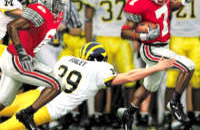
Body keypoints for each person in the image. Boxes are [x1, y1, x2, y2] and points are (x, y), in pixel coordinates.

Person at [0, 41, 176, 130]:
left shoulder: (67, 59)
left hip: (34, 96)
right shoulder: (99, 69)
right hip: (46, 108)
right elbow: (129, 76)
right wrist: (157, 68)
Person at [119, 0, 196, 130]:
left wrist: (184, 1)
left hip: (164, 47)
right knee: (189, 66)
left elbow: (169, 7)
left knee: (149, 87)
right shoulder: (139, 4)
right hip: (151, 49)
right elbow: (124, 32)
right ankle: (174, 102)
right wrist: (141, 35)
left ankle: (129, 112)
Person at [0, 0, 66, 130]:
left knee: (3, 102)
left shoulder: (51, 13)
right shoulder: (40, 10)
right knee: (57, 84)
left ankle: (26, 114)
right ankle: (27, 114)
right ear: (47, 1)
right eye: (57, 3)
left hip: (14, 58)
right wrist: (22, 53)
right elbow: (12, 26)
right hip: (17, 59)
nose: (60, 7)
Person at [83, 0, 139, 120]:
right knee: (100, 81)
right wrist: (88, 45)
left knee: (130, 80)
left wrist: (136, 37)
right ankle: (98, 116)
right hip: (102, 38)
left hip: (123, 39)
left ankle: (129, 115)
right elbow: (88, 20)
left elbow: (136, 14)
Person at [164, 0, 200, 128]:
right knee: (172, 79)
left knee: (197, 79)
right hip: (176, 36)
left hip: (196, 38)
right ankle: (170, 116)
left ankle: (197, 115)